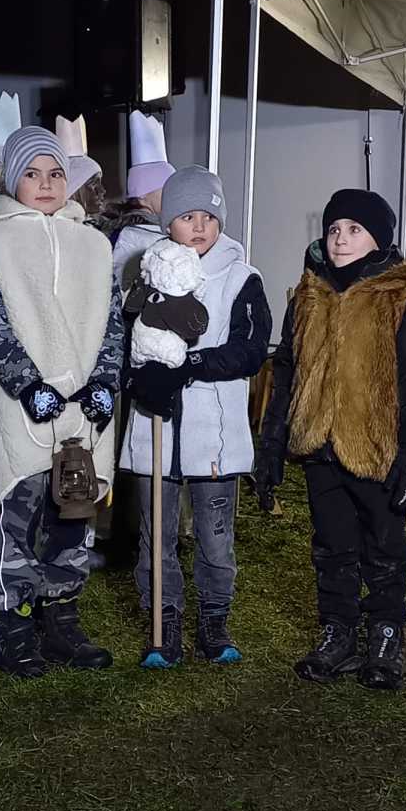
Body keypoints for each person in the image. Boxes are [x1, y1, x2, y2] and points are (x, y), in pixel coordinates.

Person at [254, 189, 406, 692]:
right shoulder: (308, 298)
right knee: (332, 546)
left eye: (354, 230)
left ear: (378, 239)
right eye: (334, 229)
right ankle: (337, 633)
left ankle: (385, 636)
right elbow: (286, 374)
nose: (340, 239)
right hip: (320, 446)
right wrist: (271, 446)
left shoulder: (402, 302)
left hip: (376, 450)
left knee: (384, 547)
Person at [0, 125, 123, 679]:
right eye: (32, 174)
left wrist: (105, 381)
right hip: (22, 411)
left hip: (83, 411)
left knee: (73, 515)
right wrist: (28, 385)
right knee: (20, 518)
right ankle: (13, 627)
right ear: (13, 180)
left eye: (56, 173)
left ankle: (61, 622)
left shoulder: (94, 245)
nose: (47, 183)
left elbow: (112, 323)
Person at [121, 165, 272, 669]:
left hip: (213, 434)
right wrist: (141, 374)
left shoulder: (241, 277)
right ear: (167, 222)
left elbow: (250, 350)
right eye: (187, 216)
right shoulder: (148, 274)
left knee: (215, 535)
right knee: (156, 536)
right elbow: (127, 338)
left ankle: (214, 618)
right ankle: (163, 620)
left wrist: (193, 364)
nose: (200, 226)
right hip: (157, 430)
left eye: (209, 215)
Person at [108, 110, 175, 295]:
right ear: (142, 195)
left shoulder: (160, 229)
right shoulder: (133, 237)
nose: (172, 195)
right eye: (165, 189)